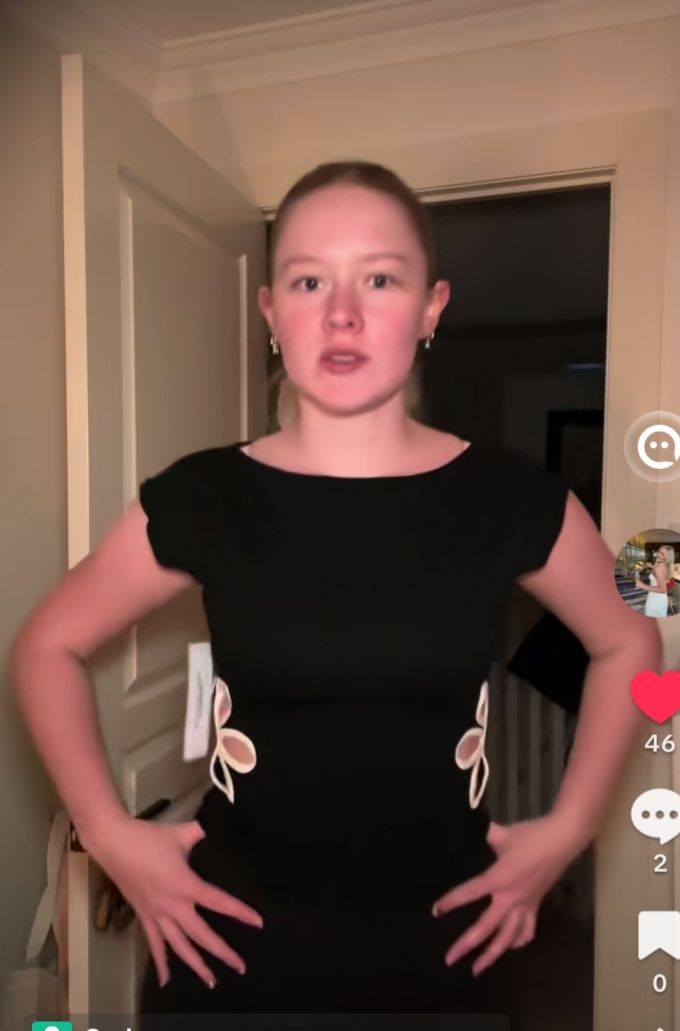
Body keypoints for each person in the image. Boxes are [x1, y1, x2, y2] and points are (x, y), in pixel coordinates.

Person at [10, 160, 661, 1029]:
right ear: (270, 311)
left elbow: (632, 640)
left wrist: (570, 827)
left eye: (380, 279)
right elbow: (44, 644)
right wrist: (109, 832)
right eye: (309, 280)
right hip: (228, 945)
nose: (342, 313)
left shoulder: (512, 499)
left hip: (448, 945)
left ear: (431, 308)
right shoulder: (206, 497)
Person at [635, 545, 675, 618]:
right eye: (659, 551)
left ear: (667, 557)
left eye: (663, 554)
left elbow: (662, 589)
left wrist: (643, 586)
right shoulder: (665, 566)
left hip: (655, 600)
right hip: (660, 598)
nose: (658, 554)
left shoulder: (659, 568)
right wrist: (656, 563)